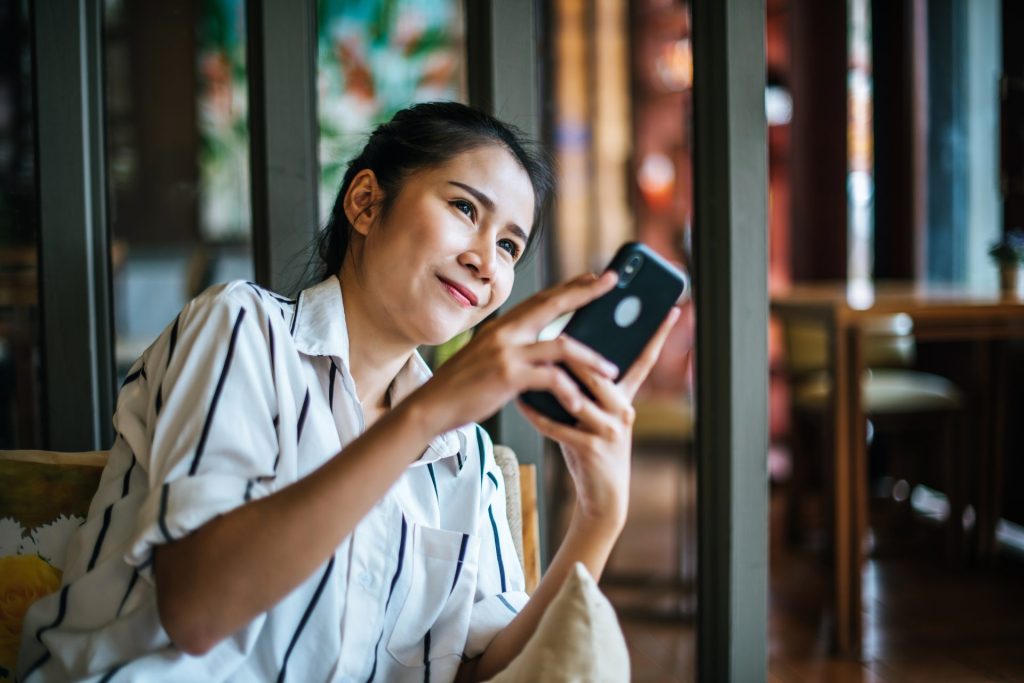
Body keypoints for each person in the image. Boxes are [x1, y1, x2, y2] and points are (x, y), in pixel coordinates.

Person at [18, 102, 679, 682]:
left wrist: (599, 517)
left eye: (510, 244)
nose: (487, 260)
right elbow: (196, 610)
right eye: (464, 208)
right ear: (365, 202)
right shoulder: (241, 328)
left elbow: (480, 668)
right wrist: (430, 410)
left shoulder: (464, 455)